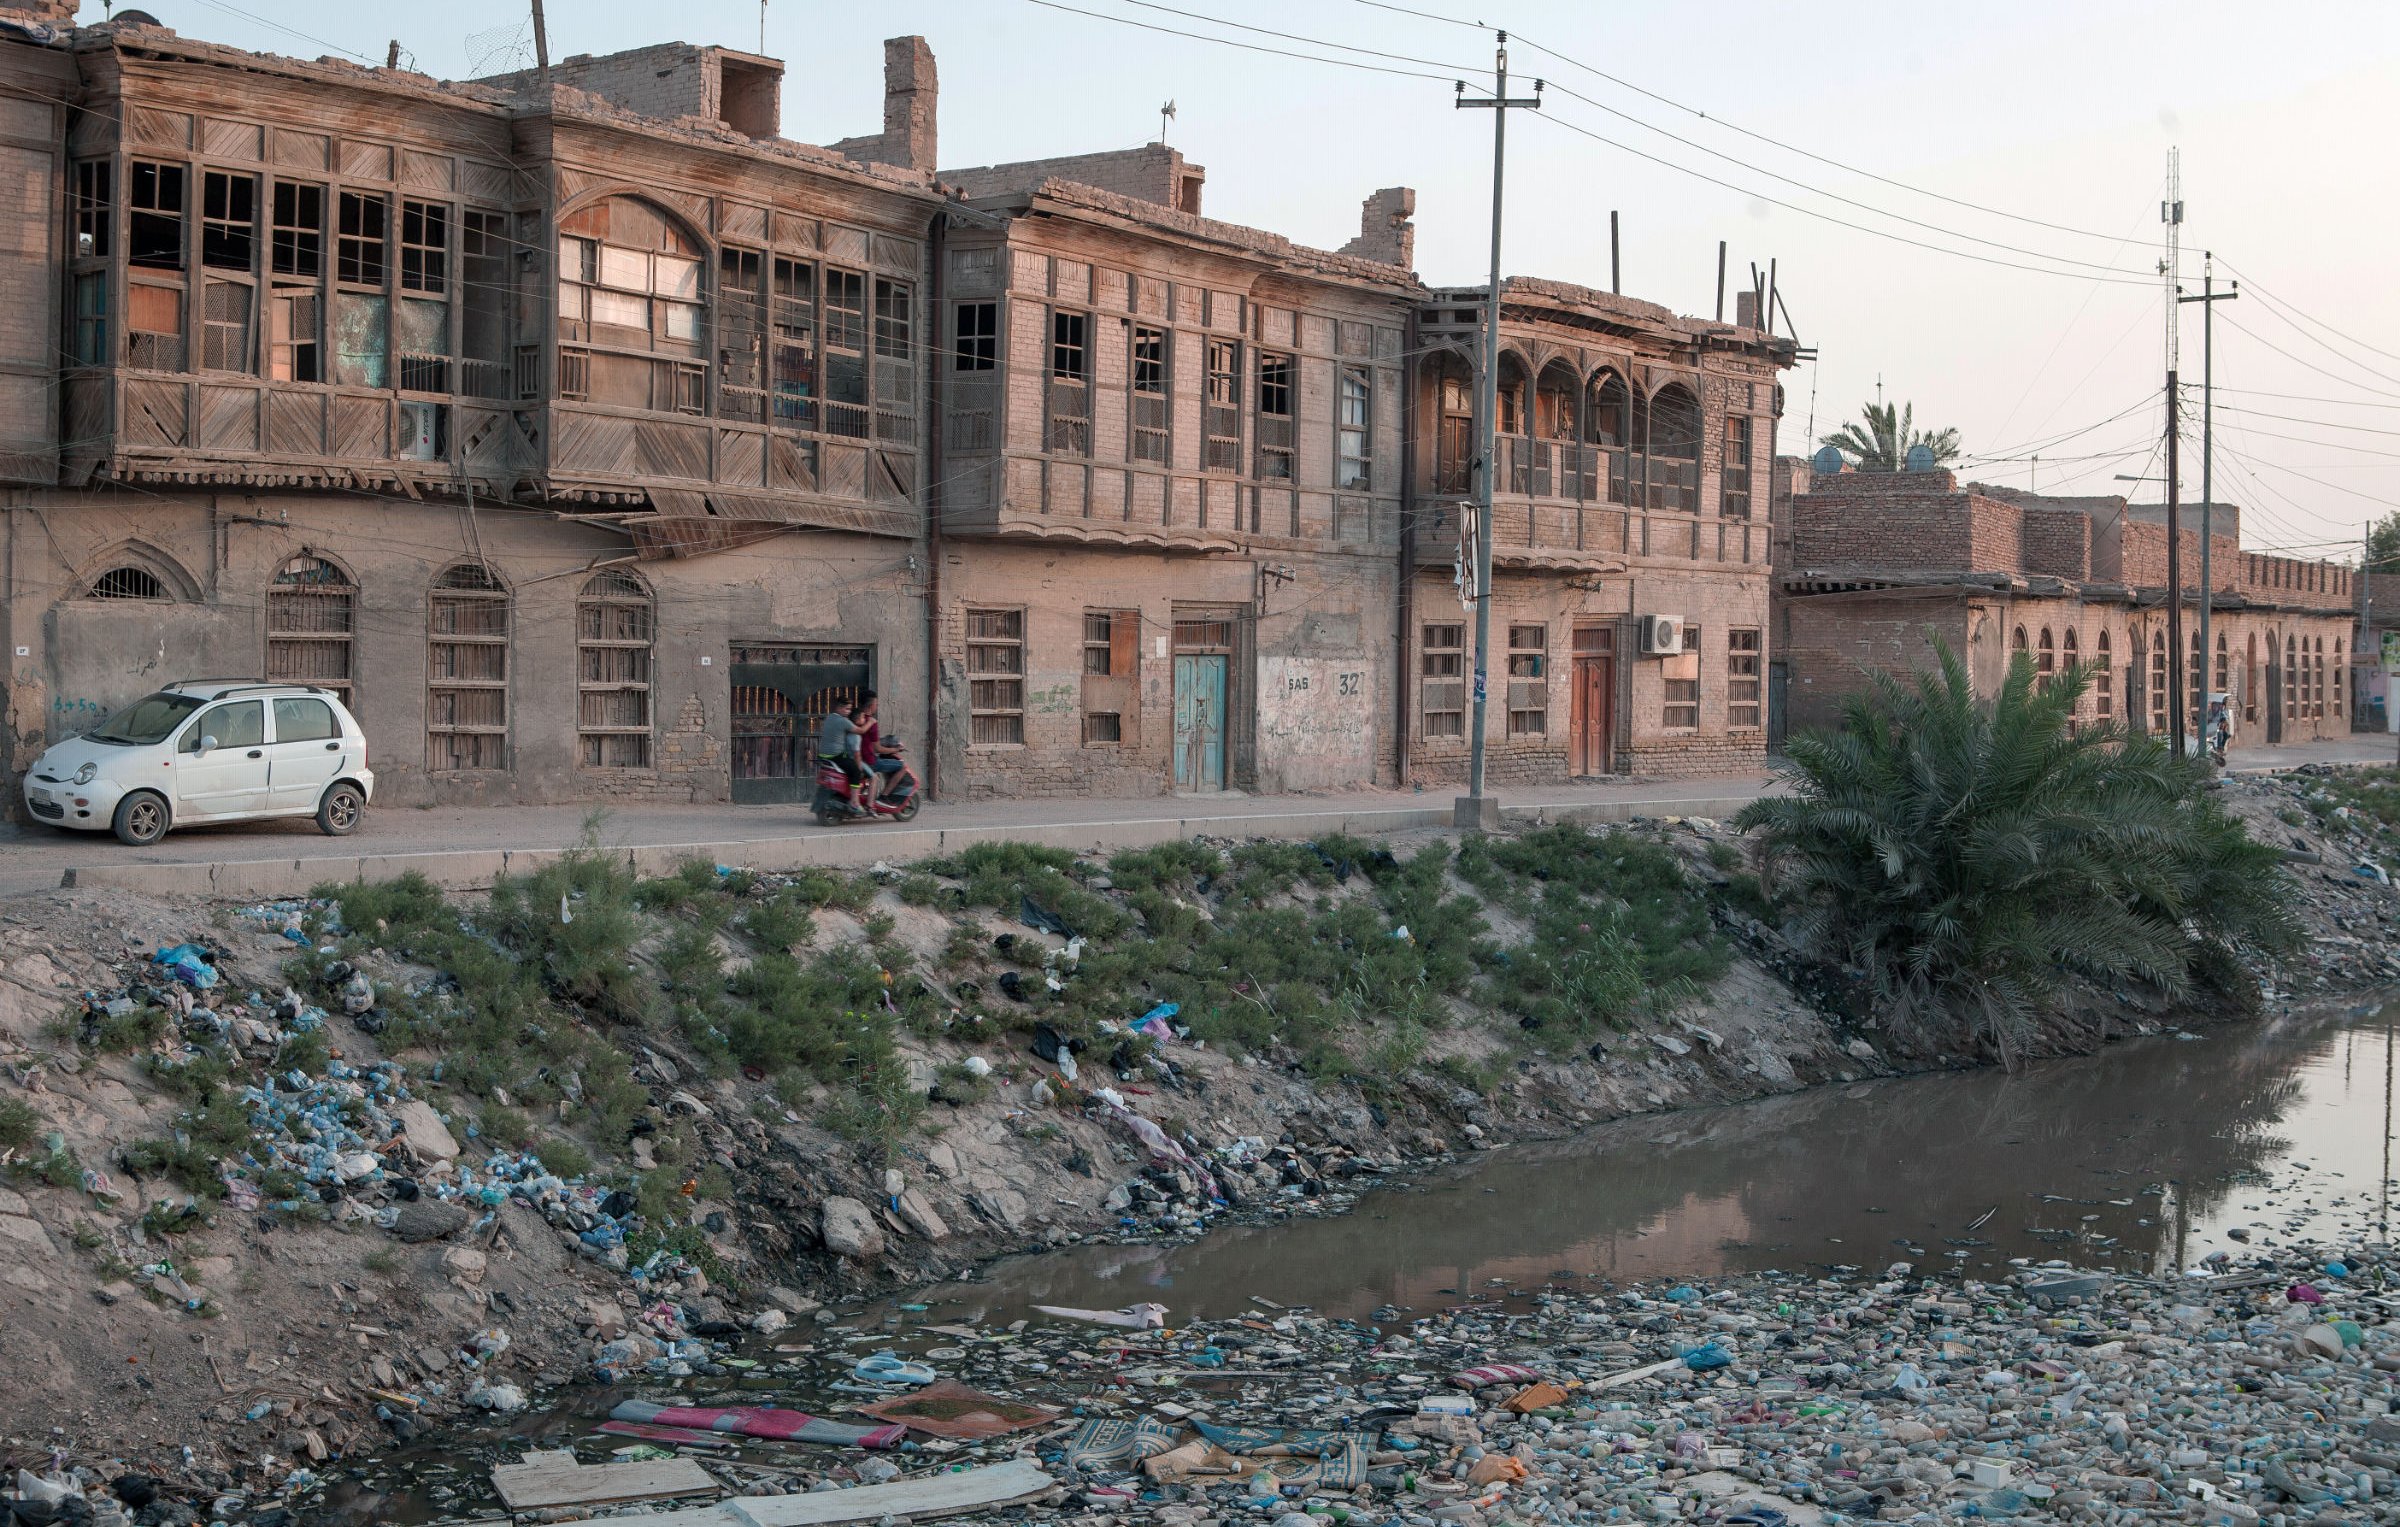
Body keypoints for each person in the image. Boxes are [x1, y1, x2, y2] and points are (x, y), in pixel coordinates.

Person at [815, 698, 868, 803]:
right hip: (835, 755)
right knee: (856, 771)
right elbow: (861, 731)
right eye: (846, 709)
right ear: (839, 708)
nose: (848, 712)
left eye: (850, 709)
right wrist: (870, 722)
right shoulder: (844, 721)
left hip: (822, 755)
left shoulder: (829, 717)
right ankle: (855, 802)